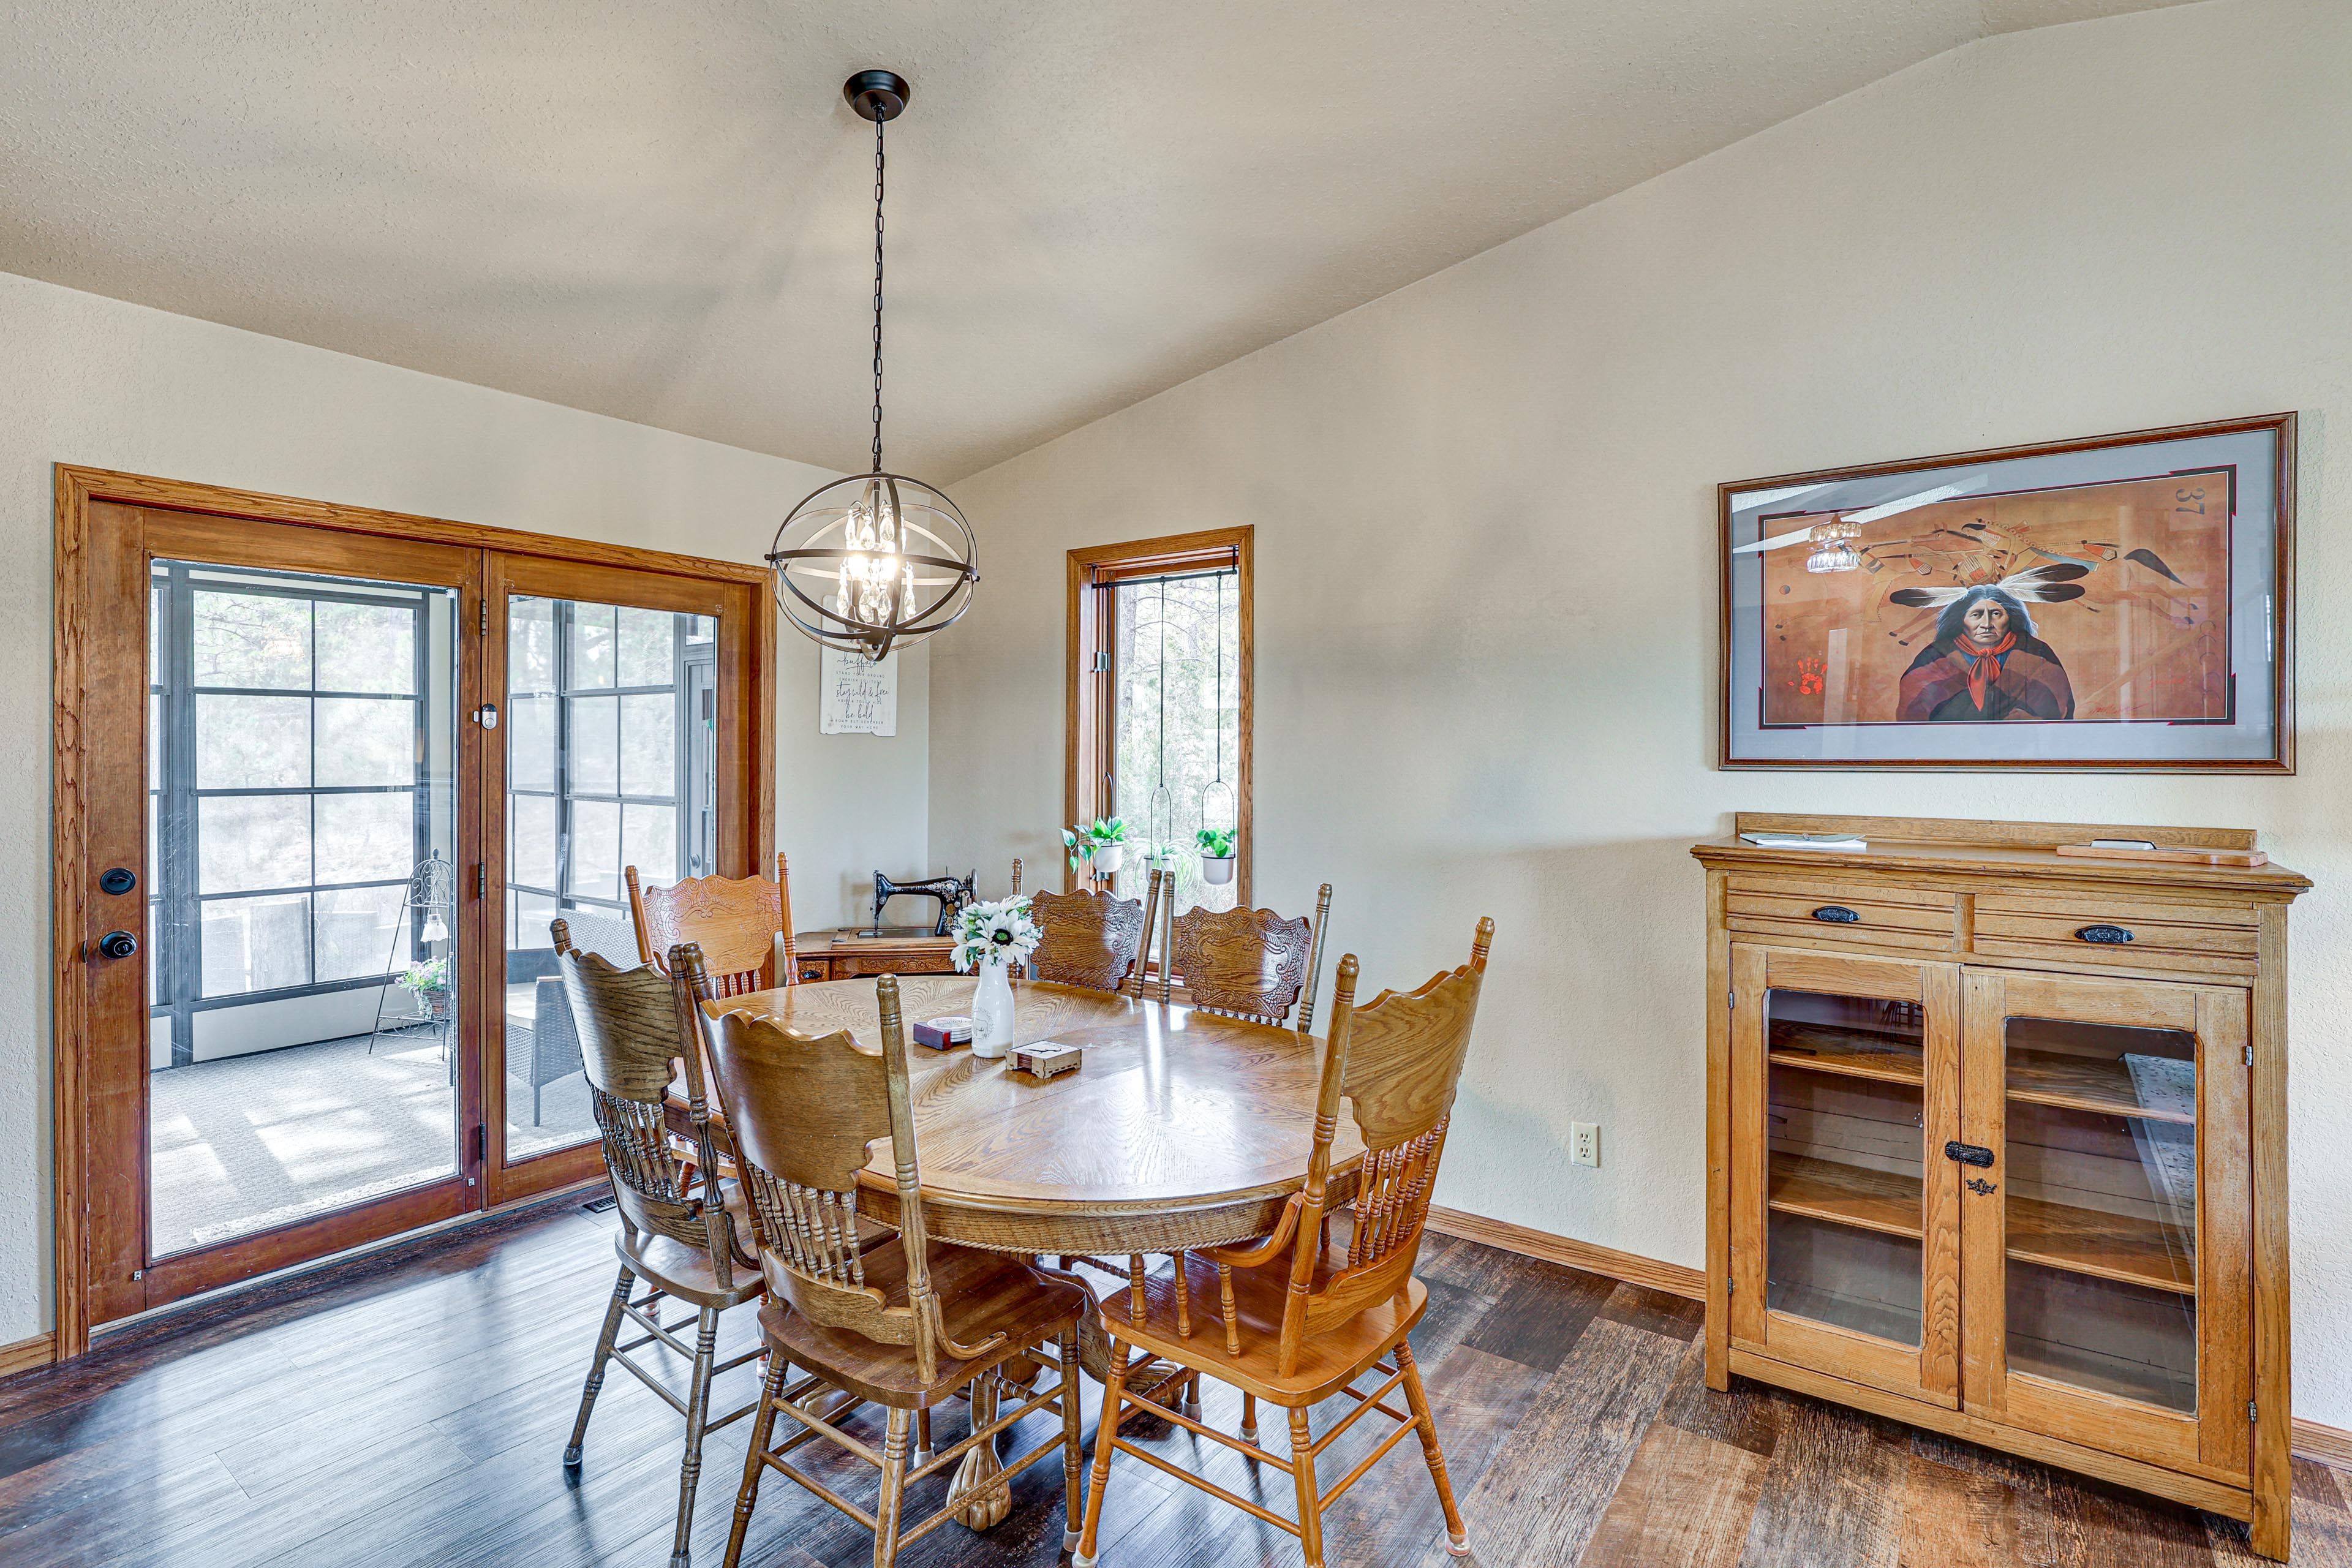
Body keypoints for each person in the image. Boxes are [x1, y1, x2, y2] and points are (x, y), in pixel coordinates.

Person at [1895, 586, 2073, 722]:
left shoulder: (2036, 653)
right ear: (1961, 620)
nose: (1987, 623)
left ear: (2010, 617)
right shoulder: (1935, 657)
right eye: (1977, 615)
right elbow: (1914, 714)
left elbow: (2055, 710)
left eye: (1996, 614)